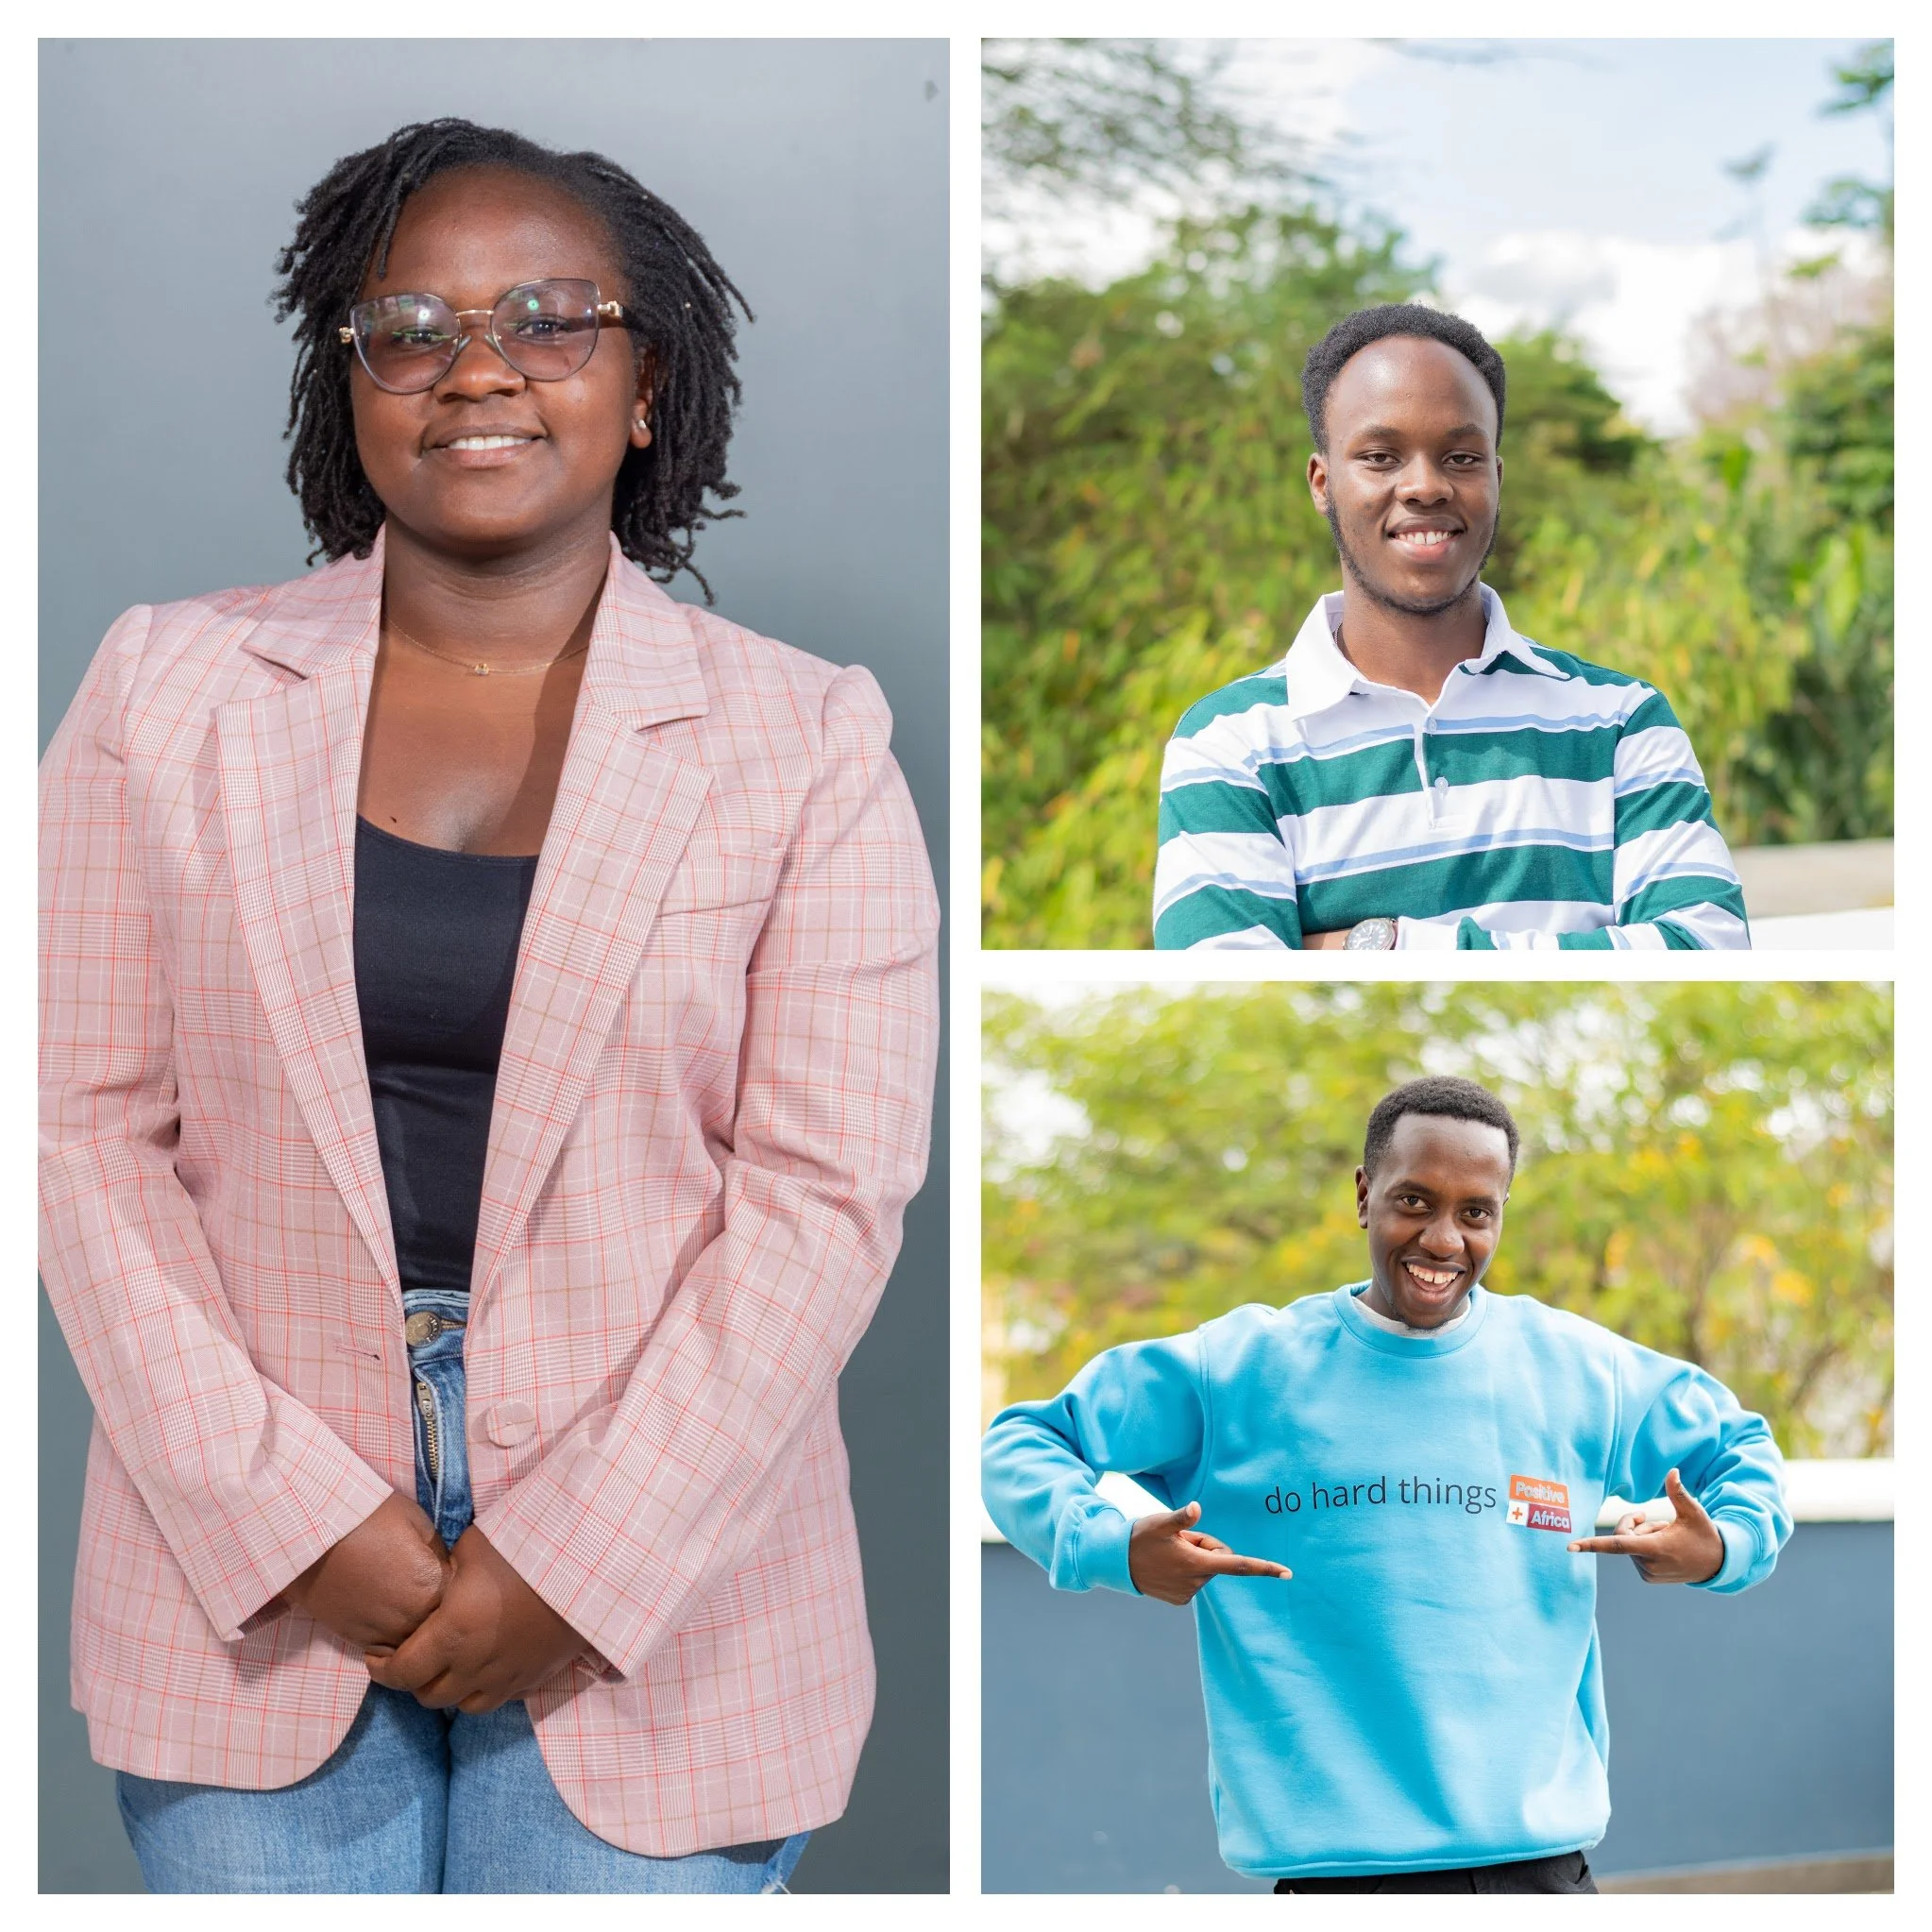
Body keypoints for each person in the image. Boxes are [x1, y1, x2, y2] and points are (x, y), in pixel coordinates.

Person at [40, 118, 940, 1894]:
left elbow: (825, 1194)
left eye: (548, 317)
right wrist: (288, 1514)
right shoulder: (167, 688)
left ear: (648, 382)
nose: (478, 370)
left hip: (666, 1574)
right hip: (246, 1559)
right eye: (413, 327)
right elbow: (71, 1127)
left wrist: (581, 1558)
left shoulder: (807, 735)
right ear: (347, 380)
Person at [981, 1076, 1789, 1892]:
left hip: (1537, 1877)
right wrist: (1109, 1548)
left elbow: (1740, 1448)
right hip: (1332, 1881)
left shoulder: (1581, 1369)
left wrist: (1724, 1546)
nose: (1444, 1240)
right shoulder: (1237, 1371)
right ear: (1364, 1196)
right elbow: (1025, 1440)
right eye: (1415, 1201)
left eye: (1477, 1211)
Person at [1151, 304, 1751, 951]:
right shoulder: (1229, 746)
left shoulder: (1620, 722)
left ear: (1495, 478)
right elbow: (1234, 983)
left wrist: (1375, 946)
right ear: (1324, 483)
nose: (1425, 486)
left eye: (1460, 457)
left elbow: (1707, 947)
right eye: (1381, 456)